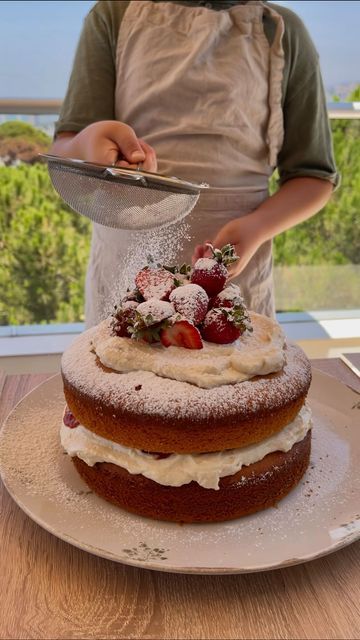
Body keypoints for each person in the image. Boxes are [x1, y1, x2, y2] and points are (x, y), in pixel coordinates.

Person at [50, 0, 339, 326]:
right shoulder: (112, 14)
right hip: (123, 271)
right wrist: (89, 141)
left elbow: (314, 176)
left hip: (236, 282)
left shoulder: (283, 31)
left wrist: (254, 228)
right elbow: (65, 149)